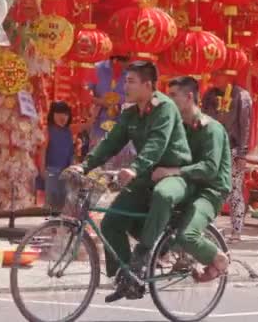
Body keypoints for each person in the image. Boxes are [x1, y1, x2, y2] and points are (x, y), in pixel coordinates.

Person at [72, 61, 193, 302]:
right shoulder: (129, 113)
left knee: (163, 196)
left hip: (173, 173)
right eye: (124, 81)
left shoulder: (165, 108)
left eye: (130, 81)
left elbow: (156, 144)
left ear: (148, 85)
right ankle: (128, 279)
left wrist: (135, 168)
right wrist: (85, 165)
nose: (124, 86)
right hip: (145, 176)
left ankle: (148, 252)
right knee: (110, 224)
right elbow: (111, 142)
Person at [153, 76, 232, 282]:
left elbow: (209, 168)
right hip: (189, 186)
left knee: (187, 235)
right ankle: (175, 256)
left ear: (189, 97)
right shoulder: (181, 129)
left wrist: (173, 171)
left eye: (173, 96)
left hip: (210, 191)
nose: (169, 101)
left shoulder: (211, 129)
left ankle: (217, 258)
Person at [202, 72, 252, 243]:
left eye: (219, 74)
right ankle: (211, 227)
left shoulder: (241, 96)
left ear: (229, 75)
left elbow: (244, 126)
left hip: (233, 149)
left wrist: (242, 153)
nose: (214, 77)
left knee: (234, 189)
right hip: (213, 148)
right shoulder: (209, 95)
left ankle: (236, 230)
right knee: (211, 188)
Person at [87, 55, 136, 169]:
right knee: (97, 169)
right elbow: (84, 93)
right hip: (99, 127)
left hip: (124, 131)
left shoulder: (134, 73)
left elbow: (141, 98)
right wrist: (100, 101)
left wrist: (123, 102)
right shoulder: (97, 68)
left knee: (120, 173)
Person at [39, 101, 74, 215]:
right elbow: (42, 151)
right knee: (53, 204)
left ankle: (59, 228)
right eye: (59, 113)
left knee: (64, 202)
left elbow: (88, 126)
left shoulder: (69, 131)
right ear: (52, 114)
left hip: (67, 171)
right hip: (52, 170)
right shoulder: (47, 130)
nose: (62, 117)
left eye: (65, 114)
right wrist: (42, 169)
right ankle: (52, 228)